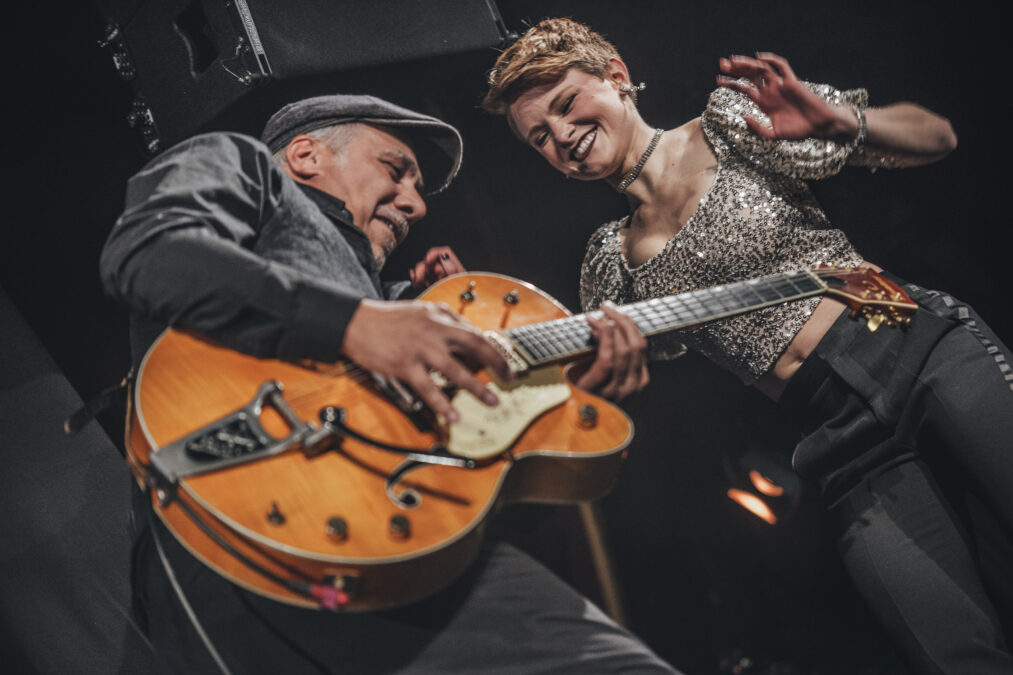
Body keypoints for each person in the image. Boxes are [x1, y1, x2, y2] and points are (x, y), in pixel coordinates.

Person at [483, 17, 1013, 675]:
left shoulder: (728, 121)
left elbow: (936, 136)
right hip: (839, 438)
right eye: (540, 136)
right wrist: (460, 316)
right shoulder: (608, 264)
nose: (561, 135)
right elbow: (591, 393)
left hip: (917, 348)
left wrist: (841, 122)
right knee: (953, 653)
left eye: (566, 105)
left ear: (616, 76)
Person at [99, 93, 673, 674]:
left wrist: (560, 412)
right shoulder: (245, 168)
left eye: (418, 188)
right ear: (304, 155)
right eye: (395, 170)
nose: (416, 205)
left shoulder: (396, 308)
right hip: (244, 535)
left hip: (393, 555)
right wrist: (354, 323)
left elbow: (478, 497)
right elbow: (150, 252)